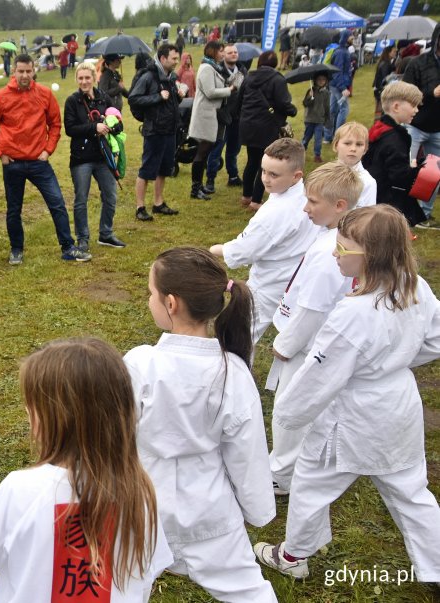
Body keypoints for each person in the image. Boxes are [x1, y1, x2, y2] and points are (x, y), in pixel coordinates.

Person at [255, 204, 440, 583]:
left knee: (310, 480)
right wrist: (393, 361)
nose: (336, 254)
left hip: (352, 417)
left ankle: (293, 555)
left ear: (369, 256)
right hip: (398, 407)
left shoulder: (352, 313)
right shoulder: (415, 286)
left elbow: (320, 376)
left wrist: (288, 414)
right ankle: (436, 563)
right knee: (411, 491)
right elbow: (435, 340)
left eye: (343, 248)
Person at [0, 337, 173, 602]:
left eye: (33, 405)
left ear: (56, 418)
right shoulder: (139, 492)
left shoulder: (19, 490)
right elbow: (145, 577)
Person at [125, 247, 278, 602]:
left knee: (122, 587)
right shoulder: (233, 372)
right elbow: (247, 451)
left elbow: (115, 434)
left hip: (143, 506)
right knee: (249, 592)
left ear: (172, 303)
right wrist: (257, 510)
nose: (149, 299)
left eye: (151, 293)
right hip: (210, 510)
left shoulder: (140, 364)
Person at [266, 162, 363, 497]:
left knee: (289, 407)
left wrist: (286, 344)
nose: (305, 207)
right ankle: (290, 463)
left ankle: (282, 472)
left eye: (312, 202)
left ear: (339, 206)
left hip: (307, 344)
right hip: (314, 340)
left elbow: (312, 309)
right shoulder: (336, 238)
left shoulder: (328, 253)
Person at [0, 54, 91, 266]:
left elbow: (55, 124)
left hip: (38, 162)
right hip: (12, 163)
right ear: (14, 71)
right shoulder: (1, 97)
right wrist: (0, 152)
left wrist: (47, 150)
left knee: (57, 203)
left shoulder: (44, 94)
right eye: (20, 71)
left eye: (28, 71)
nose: (24, 75)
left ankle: (68, 247)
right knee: (14, 209)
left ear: (34, 71)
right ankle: (16, 249)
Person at [211, 138, 319, 343]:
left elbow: (246, 249)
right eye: (263, 171)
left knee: (241, 334)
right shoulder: (307, 196)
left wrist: (218, 249)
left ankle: (235, 372)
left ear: (296, 176)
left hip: (270, 283)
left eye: (274, 174)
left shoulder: (275, 213)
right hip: (295, 277)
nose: (266, 179)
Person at [64, 62, 125, 251]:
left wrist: (112, 127)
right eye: (80, 78)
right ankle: (82, 238)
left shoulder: (103, 97)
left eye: (87, 77)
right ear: (77, 80)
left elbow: (117, 119)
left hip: (102, 156)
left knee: (110, 195)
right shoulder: (72, 101)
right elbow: (70, 129)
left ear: (94, 78)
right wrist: (94, 128)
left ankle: (106, 233)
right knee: (81, 199)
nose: (84, 81)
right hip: (81, 159)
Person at [128, 43, 183, 222]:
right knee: (147, 170)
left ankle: (158, 203)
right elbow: (134, 98)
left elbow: (170, 102)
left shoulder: (170, 76)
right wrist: (158, 97)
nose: (177, 62)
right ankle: (140, 207)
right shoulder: (149, 76)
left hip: (169, 130)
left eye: (177, 58)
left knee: (164, 169)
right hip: (154, 131)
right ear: (162, 58)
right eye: (174, 58)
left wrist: (178, 95)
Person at [237, 51, 296, 210]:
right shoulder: (278, 79)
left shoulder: (249, 77)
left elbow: (239, 100)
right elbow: (284, 103)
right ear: (275, 63)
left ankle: (246, 195)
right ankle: (256, 200)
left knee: (252, 161)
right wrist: (293, 110)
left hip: (248, 124)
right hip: (267, 126)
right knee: (264, 165)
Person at [363, 82, 425, 227]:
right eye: (413, 106)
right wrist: (415, 171)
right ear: (396, 107)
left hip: (375, 195)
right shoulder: (395, 139)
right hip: (387, 201)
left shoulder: (380, 129)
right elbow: (399, 176)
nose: (416, 110)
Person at [402, 23, 440, 226]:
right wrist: (431, 94)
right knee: (407, 168)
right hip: (416, 125)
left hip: (438, 128)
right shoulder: (418, 63)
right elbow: (406, 93)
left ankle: (424, 213)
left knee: (434, 172)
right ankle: (406, 210)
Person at [188, 41, 233, 200]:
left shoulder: (214, 67)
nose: (222, 54)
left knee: (205, 151)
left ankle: (199, 186)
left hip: (211, 114)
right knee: (202, 152)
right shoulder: (207, 68)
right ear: (213, 51)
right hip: (205, 115)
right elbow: (210, 92)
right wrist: (230, 90)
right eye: (221, 51)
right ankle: (195, 189)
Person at [205, 43, 246, 191]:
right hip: (221, 116)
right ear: (223, 55)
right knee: (216, 150)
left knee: (234, 150)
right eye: (229, 53)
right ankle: (210, 180)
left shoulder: (242, 70)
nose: (233, 54)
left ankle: (233, 176)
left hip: (238, 117)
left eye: (235, 52)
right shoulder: (218, 71)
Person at [332, 122, 376, 207]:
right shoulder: (324, 174)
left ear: (365, 149)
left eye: (359, 144)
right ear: (336, 145)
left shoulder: (368, 182)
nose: (353, 149)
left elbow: (367, 215)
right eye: (347, 143)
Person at [324, 35, 353, 143]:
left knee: (332, 110)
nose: (353, 40)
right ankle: (338, 137)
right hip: (338, 85)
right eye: (351, 38)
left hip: (334, 84)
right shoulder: (341, 52)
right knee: (344, 109)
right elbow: (338, 71)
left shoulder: (340, 50)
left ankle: (328, 136)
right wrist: (343, 88)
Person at [301, 74, 331, 163]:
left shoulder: (326, 93)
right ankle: (301, 150)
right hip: (309, 119)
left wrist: (327, 118)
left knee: (318, 139)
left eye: (323, 79)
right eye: (319, 79)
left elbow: (327, 107)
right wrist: (310, 97)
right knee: (306, 137)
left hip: (320, 120)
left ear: (326, 81)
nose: (321, 81)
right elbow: (305, 103)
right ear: (315, 80)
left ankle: (317, 155)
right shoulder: (310, 91)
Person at [372, 45, 397, 120]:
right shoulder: (385, 64)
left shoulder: (385, 62)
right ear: (389, 53)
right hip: (381, 89)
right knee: (381, 111)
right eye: (394, 51)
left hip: (379, 89)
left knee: (380, 110)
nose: (395, 53)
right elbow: (385, 78)